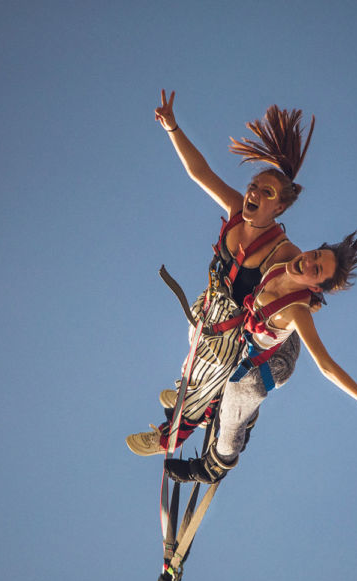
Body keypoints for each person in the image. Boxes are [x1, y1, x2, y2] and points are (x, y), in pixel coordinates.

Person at [126, 90, 315, 456]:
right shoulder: (234, 211)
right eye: (253, 187)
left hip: (239, 328)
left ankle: (169, 436)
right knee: (194, 342)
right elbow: (200, 172)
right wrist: (173, 128)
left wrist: (313, 291)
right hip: (210, 304)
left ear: (279, 207)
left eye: (266, 191)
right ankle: (191, 387)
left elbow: (308, 275)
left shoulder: (283, 250)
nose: (254, 193)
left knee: (213, 370)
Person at [164, 231, 357, 484]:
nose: (308, 262)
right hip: (262, 339)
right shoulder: (283, 259)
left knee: (239, 391)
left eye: (317, 269)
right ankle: (209, 402)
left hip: (273, 363)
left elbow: (326, 365)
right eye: (316, 255)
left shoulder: (298, 312)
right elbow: (257, 219)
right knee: (214, 335)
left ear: (314, 286)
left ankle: (213, 466)